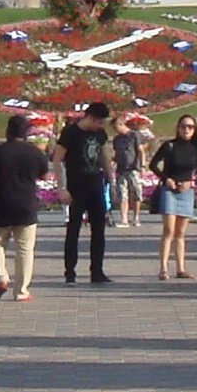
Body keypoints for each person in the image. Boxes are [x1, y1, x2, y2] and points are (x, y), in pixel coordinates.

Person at [0, 109, 48, 301]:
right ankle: (21, 291)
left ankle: (0, 277)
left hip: (1, 203)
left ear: (8, 131)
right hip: (26, 205)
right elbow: (43, 174)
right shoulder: (34, 152)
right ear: (26, 132)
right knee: (25, 249)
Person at [55, 99, 116, 284]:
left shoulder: (100, 134)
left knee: (99, 230)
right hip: (76, 185)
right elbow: (57, 159)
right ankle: (70, 271)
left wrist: (111, 181)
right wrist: (61, 188)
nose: (101, 125)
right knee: (73, 229)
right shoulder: (70, 133)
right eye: (99, 121)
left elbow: (104, 156)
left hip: (96, 184)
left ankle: (97, 270)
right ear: (90, 117)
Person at [150, 113, 197, 281]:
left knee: (181, 233)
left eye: (190, 127)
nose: (186, 130)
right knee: (168, 230)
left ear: (195, 129)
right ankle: (163, 268)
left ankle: (181, 268)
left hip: (186, 191)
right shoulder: (170, 145)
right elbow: (153, 164)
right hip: (170, 190)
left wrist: (191, 183)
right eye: (183, 126)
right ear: (178, 128)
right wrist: (166, 179)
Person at [112, 112, 151, 226]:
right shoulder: (116, 139)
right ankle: (124, 219)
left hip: (133, 168)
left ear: (121, 125)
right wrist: (112, 162)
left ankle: (136, 217)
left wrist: (142, 166)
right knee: (122, 194)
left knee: (136, 193)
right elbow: (116, 153)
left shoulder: (134, 135)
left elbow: (140, 150)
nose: (115, 130)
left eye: (116, 127)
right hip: (121, 169)